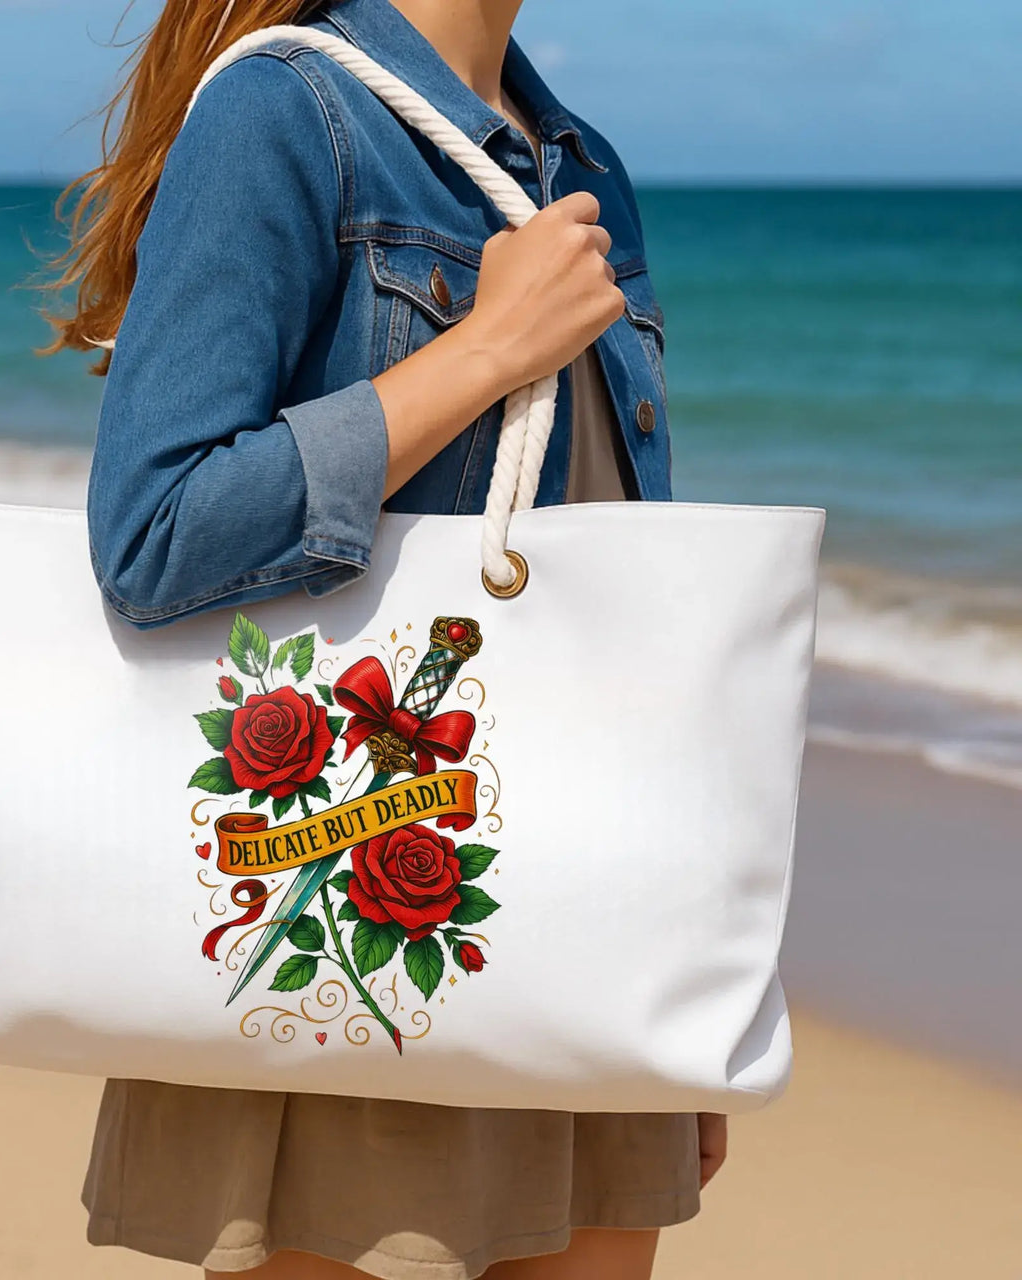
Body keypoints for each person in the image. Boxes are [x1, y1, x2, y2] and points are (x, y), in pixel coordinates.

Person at [43, 0, 727, 1276]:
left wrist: (689, 967)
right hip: (355, 920)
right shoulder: (283, 115)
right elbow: (154, 530)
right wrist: (486, 350)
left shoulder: (579, 164)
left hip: (582, 919)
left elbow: (623, 599)